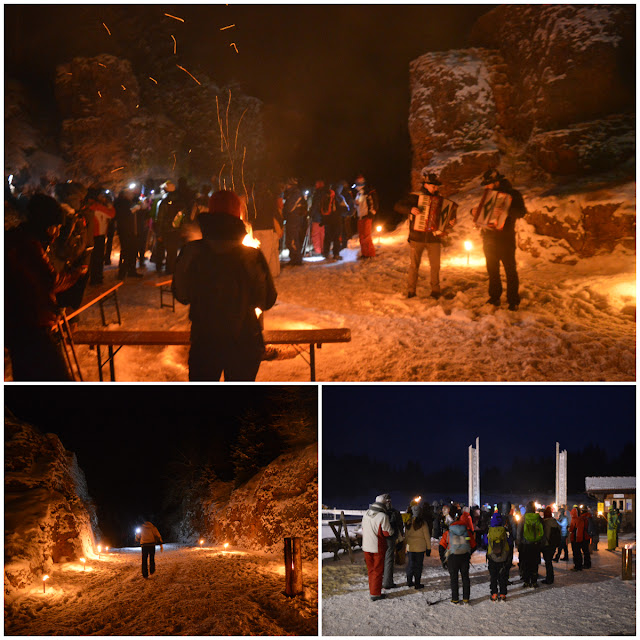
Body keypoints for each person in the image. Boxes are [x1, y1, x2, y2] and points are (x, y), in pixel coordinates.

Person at [173, 190, 277, 381]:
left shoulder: (192, 252)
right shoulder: (251, 256)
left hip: (204, 343)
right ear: (238, 215)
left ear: (211, 212)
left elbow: (181, 294)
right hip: (244, 341)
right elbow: (267, 300)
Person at [5, 194, 87, 380]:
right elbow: (49, 280)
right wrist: (77, 276)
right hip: (31, 328)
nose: (57, 232)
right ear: (45, 225)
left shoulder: (19, 239)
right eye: (55, 227)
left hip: (19, 327)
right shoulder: (27, 245)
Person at [395, 170, 456, 299]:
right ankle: (411, 291)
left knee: (435, 266)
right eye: (433, 186)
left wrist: (451, 221)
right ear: (426, 185)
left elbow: (449, 216)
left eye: (437, 186)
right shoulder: (414, 197)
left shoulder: (440, 200)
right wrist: (410, 209)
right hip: (417, 237)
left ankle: (435, 290)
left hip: (434, 238)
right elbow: (398, 206)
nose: (436, 188)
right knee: (414, 265)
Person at [475, 168, 527, 310]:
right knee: (492, 270)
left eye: (489, 184)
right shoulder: (488, 196)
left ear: (497, 182)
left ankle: (513, 300)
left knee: (510, 270)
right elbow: (482, 213)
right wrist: (475, 214)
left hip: (506, 238)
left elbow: (522, 212)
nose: (486, 187)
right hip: (489, 238)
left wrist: (506, 211)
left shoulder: (514, 194)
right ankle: (494, 297)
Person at [361, 493, 394, 601]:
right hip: (377, 547)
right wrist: (393, 530)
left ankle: (372, 590)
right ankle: (375, 594)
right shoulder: (382, 516)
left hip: (366, 546)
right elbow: (387, 532)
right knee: (378, 570)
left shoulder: (366, 513)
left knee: (370, 570)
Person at [440, 507, 476, 605]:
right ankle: (466, 598)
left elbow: (442, 545)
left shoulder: (448, 533)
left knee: (454, 578)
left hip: (453, 557)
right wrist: (469, 553)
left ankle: (455, 598)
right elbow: (474, 545)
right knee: (465, 578)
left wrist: (443, 559)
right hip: (464, 557)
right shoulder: (467, 532)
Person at [250, 181, 284, 279]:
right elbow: (275, 213)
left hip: (256, 228)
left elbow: (251, 214)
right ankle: (269, 274)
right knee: (268, 253)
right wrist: (280, 226)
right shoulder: (270, 199)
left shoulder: (254, 199)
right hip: (268, 228)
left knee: (259, 253)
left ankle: (263, 274)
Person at [86, 187, 116, 285]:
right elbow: (111, 214)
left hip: (88, 235)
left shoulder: (86, 205)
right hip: (98, 234)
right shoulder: (97, 206)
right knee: (98, 258)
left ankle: (90, 277)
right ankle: (96, 279)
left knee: (91, 258)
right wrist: (109, 205)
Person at [114, 186, 143, 279]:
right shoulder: (121, 203)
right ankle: (122, 272)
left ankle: (132, 270)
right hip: (125, 231)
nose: (132, 195)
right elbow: (126, 213)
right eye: (130, 193)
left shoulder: (130, 202)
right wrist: (137, 208)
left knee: (133, 251)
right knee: (126, 251)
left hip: (133, 231)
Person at [516, 501, 543, 588]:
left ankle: (527, 581)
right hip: (535, 544)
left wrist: (518, 543)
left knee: (526, 563)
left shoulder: (523, 518)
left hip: (525, 544)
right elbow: (543, 531)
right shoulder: (538, 518)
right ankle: (534, 581)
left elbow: (519, 532)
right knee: (534, 563)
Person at [404, 505, 431, 589]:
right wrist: (429, 548)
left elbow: (406, 536)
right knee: (418, 565)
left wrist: (406, 546)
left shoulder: (408, 522)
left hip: (410, 547)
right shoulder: (423, 523)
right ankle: (417, 583)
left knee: (411, 564)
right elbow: (427, 536)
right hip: (420, 547)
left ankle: (409, 581)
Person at [282, 178, 306, 266]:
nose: (286, 186)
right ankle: (294, 258)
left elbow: (289, 208)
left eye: (287, 185)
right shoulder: (292, 193)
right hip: (292, 219)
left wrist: (283, 212)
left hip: (294, 219)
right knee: (291, 239)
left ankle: (297, 259)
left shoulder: (295, 194)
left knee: (292, 240)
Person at [353, 174, 378, 259]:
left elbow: (374, 204)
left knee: (366, 236)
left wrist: (371, 213)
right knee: (361, 236)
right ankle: (365, 253)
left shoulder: (368, 192)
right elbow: (358, 206)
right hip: (360, 217)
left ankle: (370, 254)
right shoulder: (358, 194)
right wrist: (355, 205)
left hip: (367, 216)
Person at [486, 511, 510, 601]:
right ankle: (503, 594)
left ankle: (494, 594)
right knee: (502, 576)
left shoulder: (490, 531)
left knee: (493, 576)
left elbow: (485, 542)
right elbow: (509, 542)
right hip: (503, 556)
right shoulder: (504, 530)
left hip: (492, 557)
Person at [382, 497, 404, 590]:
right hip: (390, 539)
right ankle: (387, 582)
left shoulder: (379, 512)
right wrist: (400, 538)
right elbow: (400, 526)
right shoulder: (395, 512)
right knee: (389, 560)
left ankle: (377, 582)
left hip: (379, 538)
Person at [541, 506, 561, 584]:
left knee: (548, 562)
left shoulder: (545, 523)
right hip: (553, 545)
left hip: (546, 544)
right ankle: (550, 577)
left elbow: (543, 534)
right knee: (549, 561)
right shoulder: (555, 522)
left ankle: (549, 578)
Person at [568, 506, 588, 571]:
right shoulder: (580, 519)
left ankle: (577, 566)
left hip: (575, 539)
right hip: (579, 538)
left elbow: (573, 529)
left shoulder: (575, 519)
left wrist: (569, 528)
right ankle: (580, 565)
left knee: (576, 553)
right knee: (579, 553)